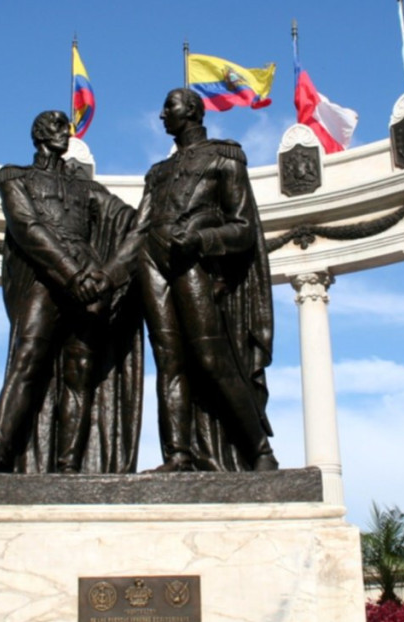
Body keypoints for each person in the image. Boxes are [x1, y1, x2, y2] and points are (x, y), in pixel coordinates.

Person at [104, 88, 278, 472]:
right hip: (153, 260)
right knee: (168, 361)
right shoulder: (158, 172)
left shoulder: (225, 157)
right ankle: (178, 455)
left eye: (169, 105)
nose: (162, 113)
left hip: (194, 261)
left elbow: (244, 228)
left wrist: (201, 240)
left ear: (193, 110)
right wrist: (107, 277)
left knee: (210, 358)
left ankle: (259, 450)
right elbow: (138, 230)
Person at [0, 110, 142, 474]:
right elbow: (27, 227)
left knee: (82, 369)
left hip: (88, 282)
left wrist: (161, 206)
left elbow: (128, 221)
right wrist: (71, 273)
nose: (66, 133)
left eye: (67, 127)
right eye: (58, 126)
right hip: (48, 279)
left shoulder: (87, 187)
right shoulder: (15, 177)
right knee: (26, 358)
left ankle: (69, 464)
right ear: (39, 133)